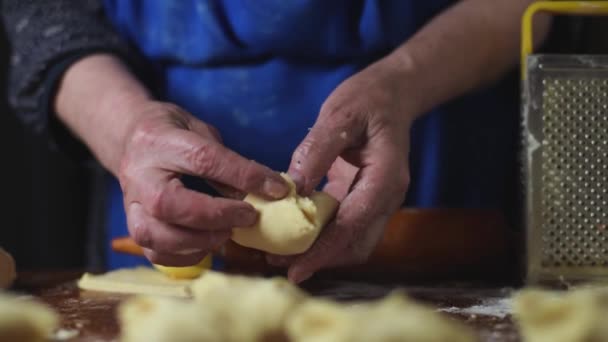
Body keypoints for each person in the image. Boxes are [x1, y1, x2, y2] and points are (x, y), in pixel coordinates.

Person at [2, 1, 549, 283]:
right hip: (160, 198)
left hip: (429, 151)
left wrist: (404, 82)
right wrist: (130, 130)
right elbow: (47, 13)